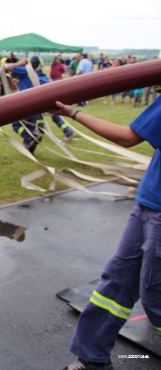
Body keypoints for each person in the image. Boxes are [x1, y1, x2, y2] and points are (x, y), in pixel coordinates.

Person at [51, 96, 161, 370]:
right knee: (117, 280)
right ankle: (92, 359)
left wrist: (74, 114)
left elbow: (126, 138)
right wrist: (72, 112)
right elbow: (131, 135)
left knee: (155, 295)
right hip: (148, 203)